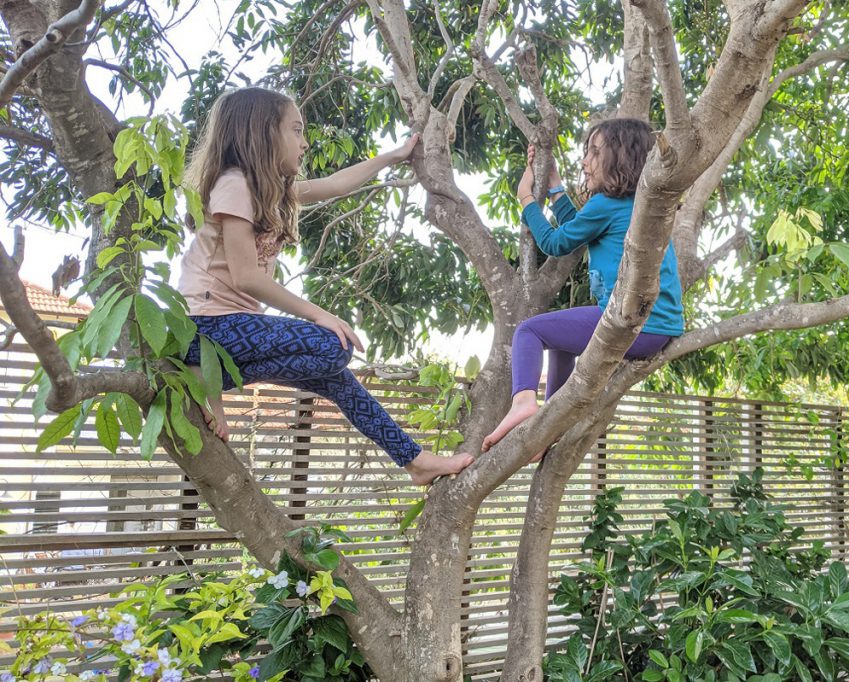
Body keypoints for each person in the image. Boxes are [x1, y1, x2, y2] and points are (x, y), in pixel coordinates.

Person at [178, 86, 473, 485]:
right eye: (296, 131)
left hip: (231, 336)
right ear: (263, 133)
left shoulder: (271, 190)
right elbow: (246, 276)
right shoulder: (233, 183)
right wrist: (321, 314)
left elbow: (335, 185)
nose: (305, 142)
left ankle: (413, 460)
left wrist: (394, 156)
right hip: (206, 329)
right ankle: (203, 373)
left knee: (334, 373)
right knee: (333, 345)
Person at [481, 118, 684, 458]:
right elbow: (578, 225)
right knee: (561, 345)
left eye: (594, 152)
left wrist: (527, 199)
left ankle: (523, 402)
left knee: (530, 331)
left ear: (620, 159)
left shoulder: (605, 205)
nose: (585, 161)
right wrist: (557, 185)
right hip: (657, 329)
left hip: (629, 323)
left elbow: (555, 242)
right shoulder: (634, 205)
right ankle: (549, 425)